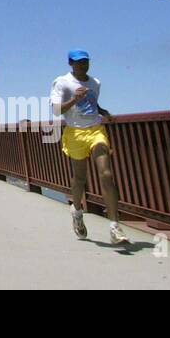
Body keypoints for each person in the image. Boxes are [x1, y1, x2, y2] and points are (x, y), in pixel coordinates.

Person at [50, 49, 129, 244]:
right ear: (70, 63)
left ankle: (114, 227)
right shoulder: (62, 82)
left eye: (85, 61)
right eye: (78, 62)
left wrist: (103, 111)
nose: (82, 65)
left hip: (95, 130)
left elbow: (92, 103)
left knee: (106, 174)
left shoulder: (95, 83)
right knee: (80, 179)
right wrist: (74, 99)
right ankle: (77, 212)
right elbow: (56, 110)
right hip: (75, 133)